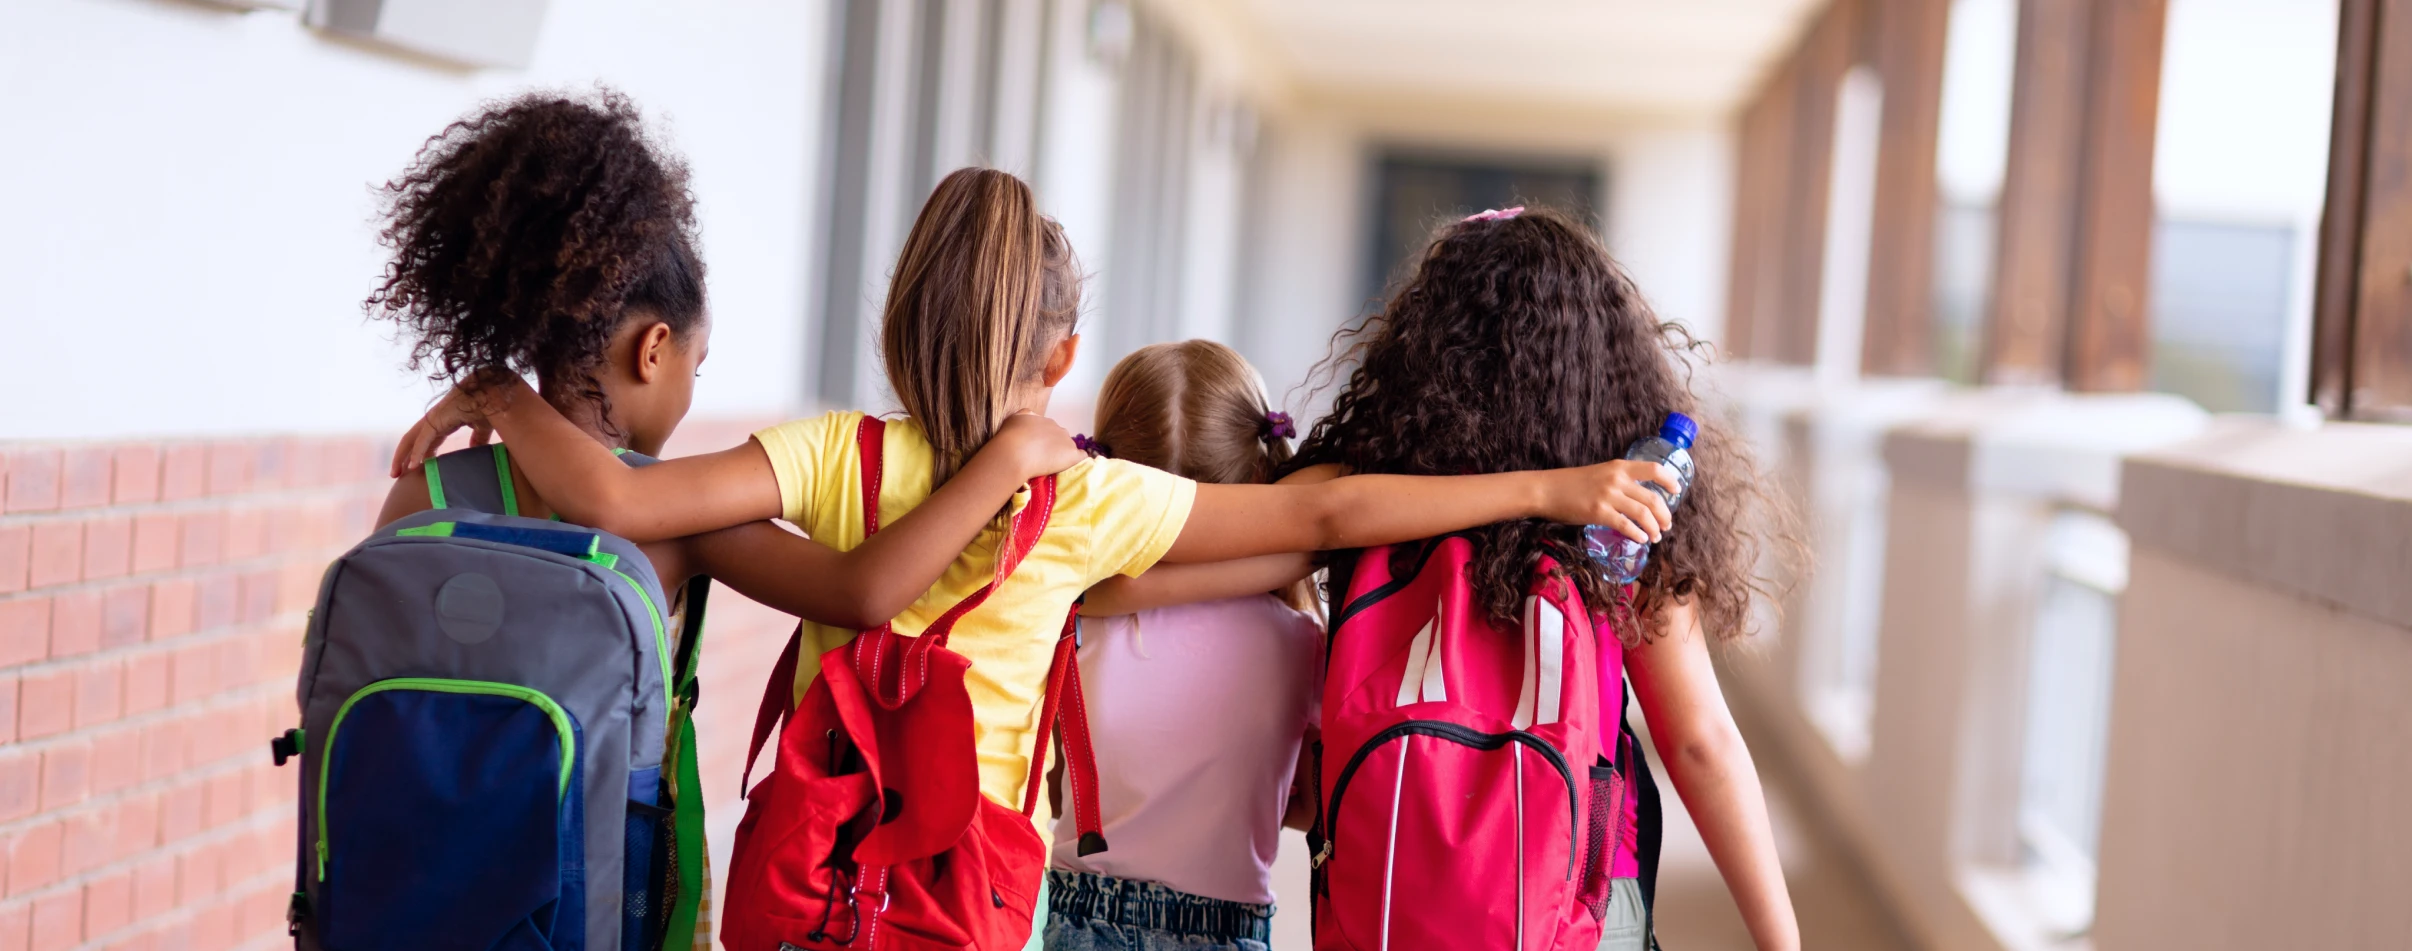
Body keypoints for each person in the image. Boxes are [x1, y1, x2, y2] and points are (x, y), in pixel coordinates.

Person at [392, 167, 1682, 928]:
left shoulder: (832, 456)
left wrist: (506, 395)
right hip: (965, 911)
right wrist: (1553, 482)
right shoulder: (1084, 500)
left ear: (898, 321)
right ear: (1063, 358)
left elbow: (625, 500)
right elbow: (1327, 516)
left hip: (807, 888)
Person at [361, 97, 1089, 949]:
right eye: (697, 366)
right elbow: (861, 590)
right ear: (653, 350)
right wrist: (1006, 462)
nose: (692, 388)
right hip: (598, 897)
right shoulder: (678, 522)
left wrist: (495, 391)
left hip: (413, 886)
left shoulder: (424, 499)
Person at [1286, 206, 1804, 951]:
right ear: (1600, 360)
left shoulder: (1368, 499)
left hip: (1386, 899)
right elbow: (1698, 741)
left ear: (1426, 349)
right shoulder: (1626, 516)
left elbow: (1280, 522)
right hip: (1582, 900)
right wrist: (1781, 940)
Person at [1035, 341, 1323, 951]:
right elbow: (1308, 809)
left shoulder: (1073, 614)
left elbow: (1062, 779)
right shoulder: (1301, 643)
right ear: (1260, 473)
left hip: (1081, 915)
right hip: (1227, 927)